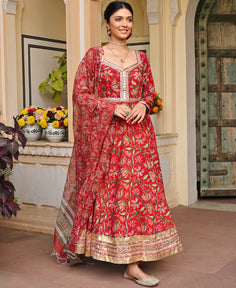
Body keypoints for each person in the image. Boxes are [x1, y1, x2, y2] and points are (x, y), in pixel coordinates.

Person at [53, 1, 183, 286]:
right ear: (107, 23)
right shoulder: (95, 56)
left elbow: (150, 92)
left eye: (129, 19)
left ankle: (133, 262)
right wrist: (108, 107)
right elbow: (80, 94)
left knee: (138, 195)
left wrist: (143, 104)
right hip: (108, 137)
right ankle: (122, 258)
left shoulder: (142, 58)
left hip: (139, 138)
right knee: (116, 195)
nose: (124, 24)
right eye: (118, 19)